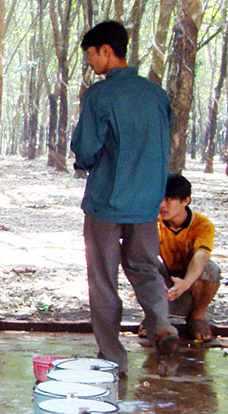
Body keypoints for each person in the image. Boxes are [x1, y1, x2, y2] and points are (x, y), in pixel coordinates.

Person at [70, 21, 179, 376]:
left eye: (90, 54)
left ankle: (114, 359)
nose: (89, 61)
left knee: (102, 279)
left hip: (107, 200)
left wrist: (84, 161)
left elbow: (86, 149)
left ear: (106, 51)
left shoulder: (100, 95)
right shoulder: (156, 94)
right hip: (147, 203)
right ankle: (161, 324)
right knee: (146, 269)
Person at [156, 173, 220, 341]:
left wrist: (185, 284)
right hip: (165, 281)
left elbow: (201, 256)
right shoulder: (152, 222)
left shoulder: (202, 225)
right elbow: (146, 255)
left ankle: (197, 317)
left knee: (211, 269)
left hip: (191, 283)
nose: (162, 205)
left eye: (169, 199)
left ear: (186, 201)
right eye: (160, 198)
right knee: (142, 264)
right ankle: (153, 316)